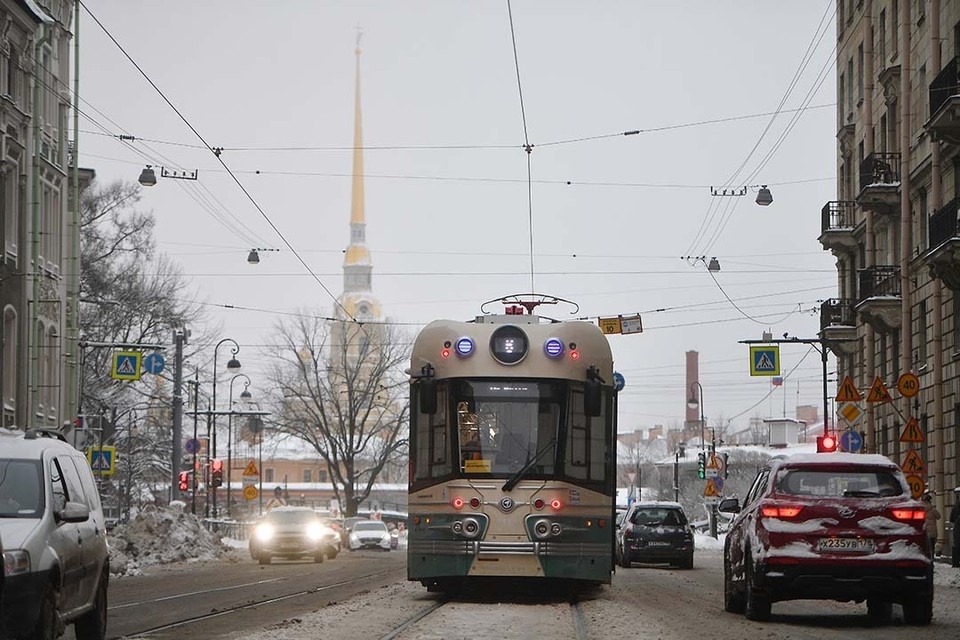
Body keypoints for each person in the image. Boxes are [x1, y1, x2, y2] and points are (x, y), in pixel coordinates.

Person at [951, 486, 960, 568]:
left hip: (957, 528)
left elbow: (951, 519)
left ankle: (956, 563)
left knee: (957, 545)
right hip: (957, 527)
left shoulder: (955, 507)